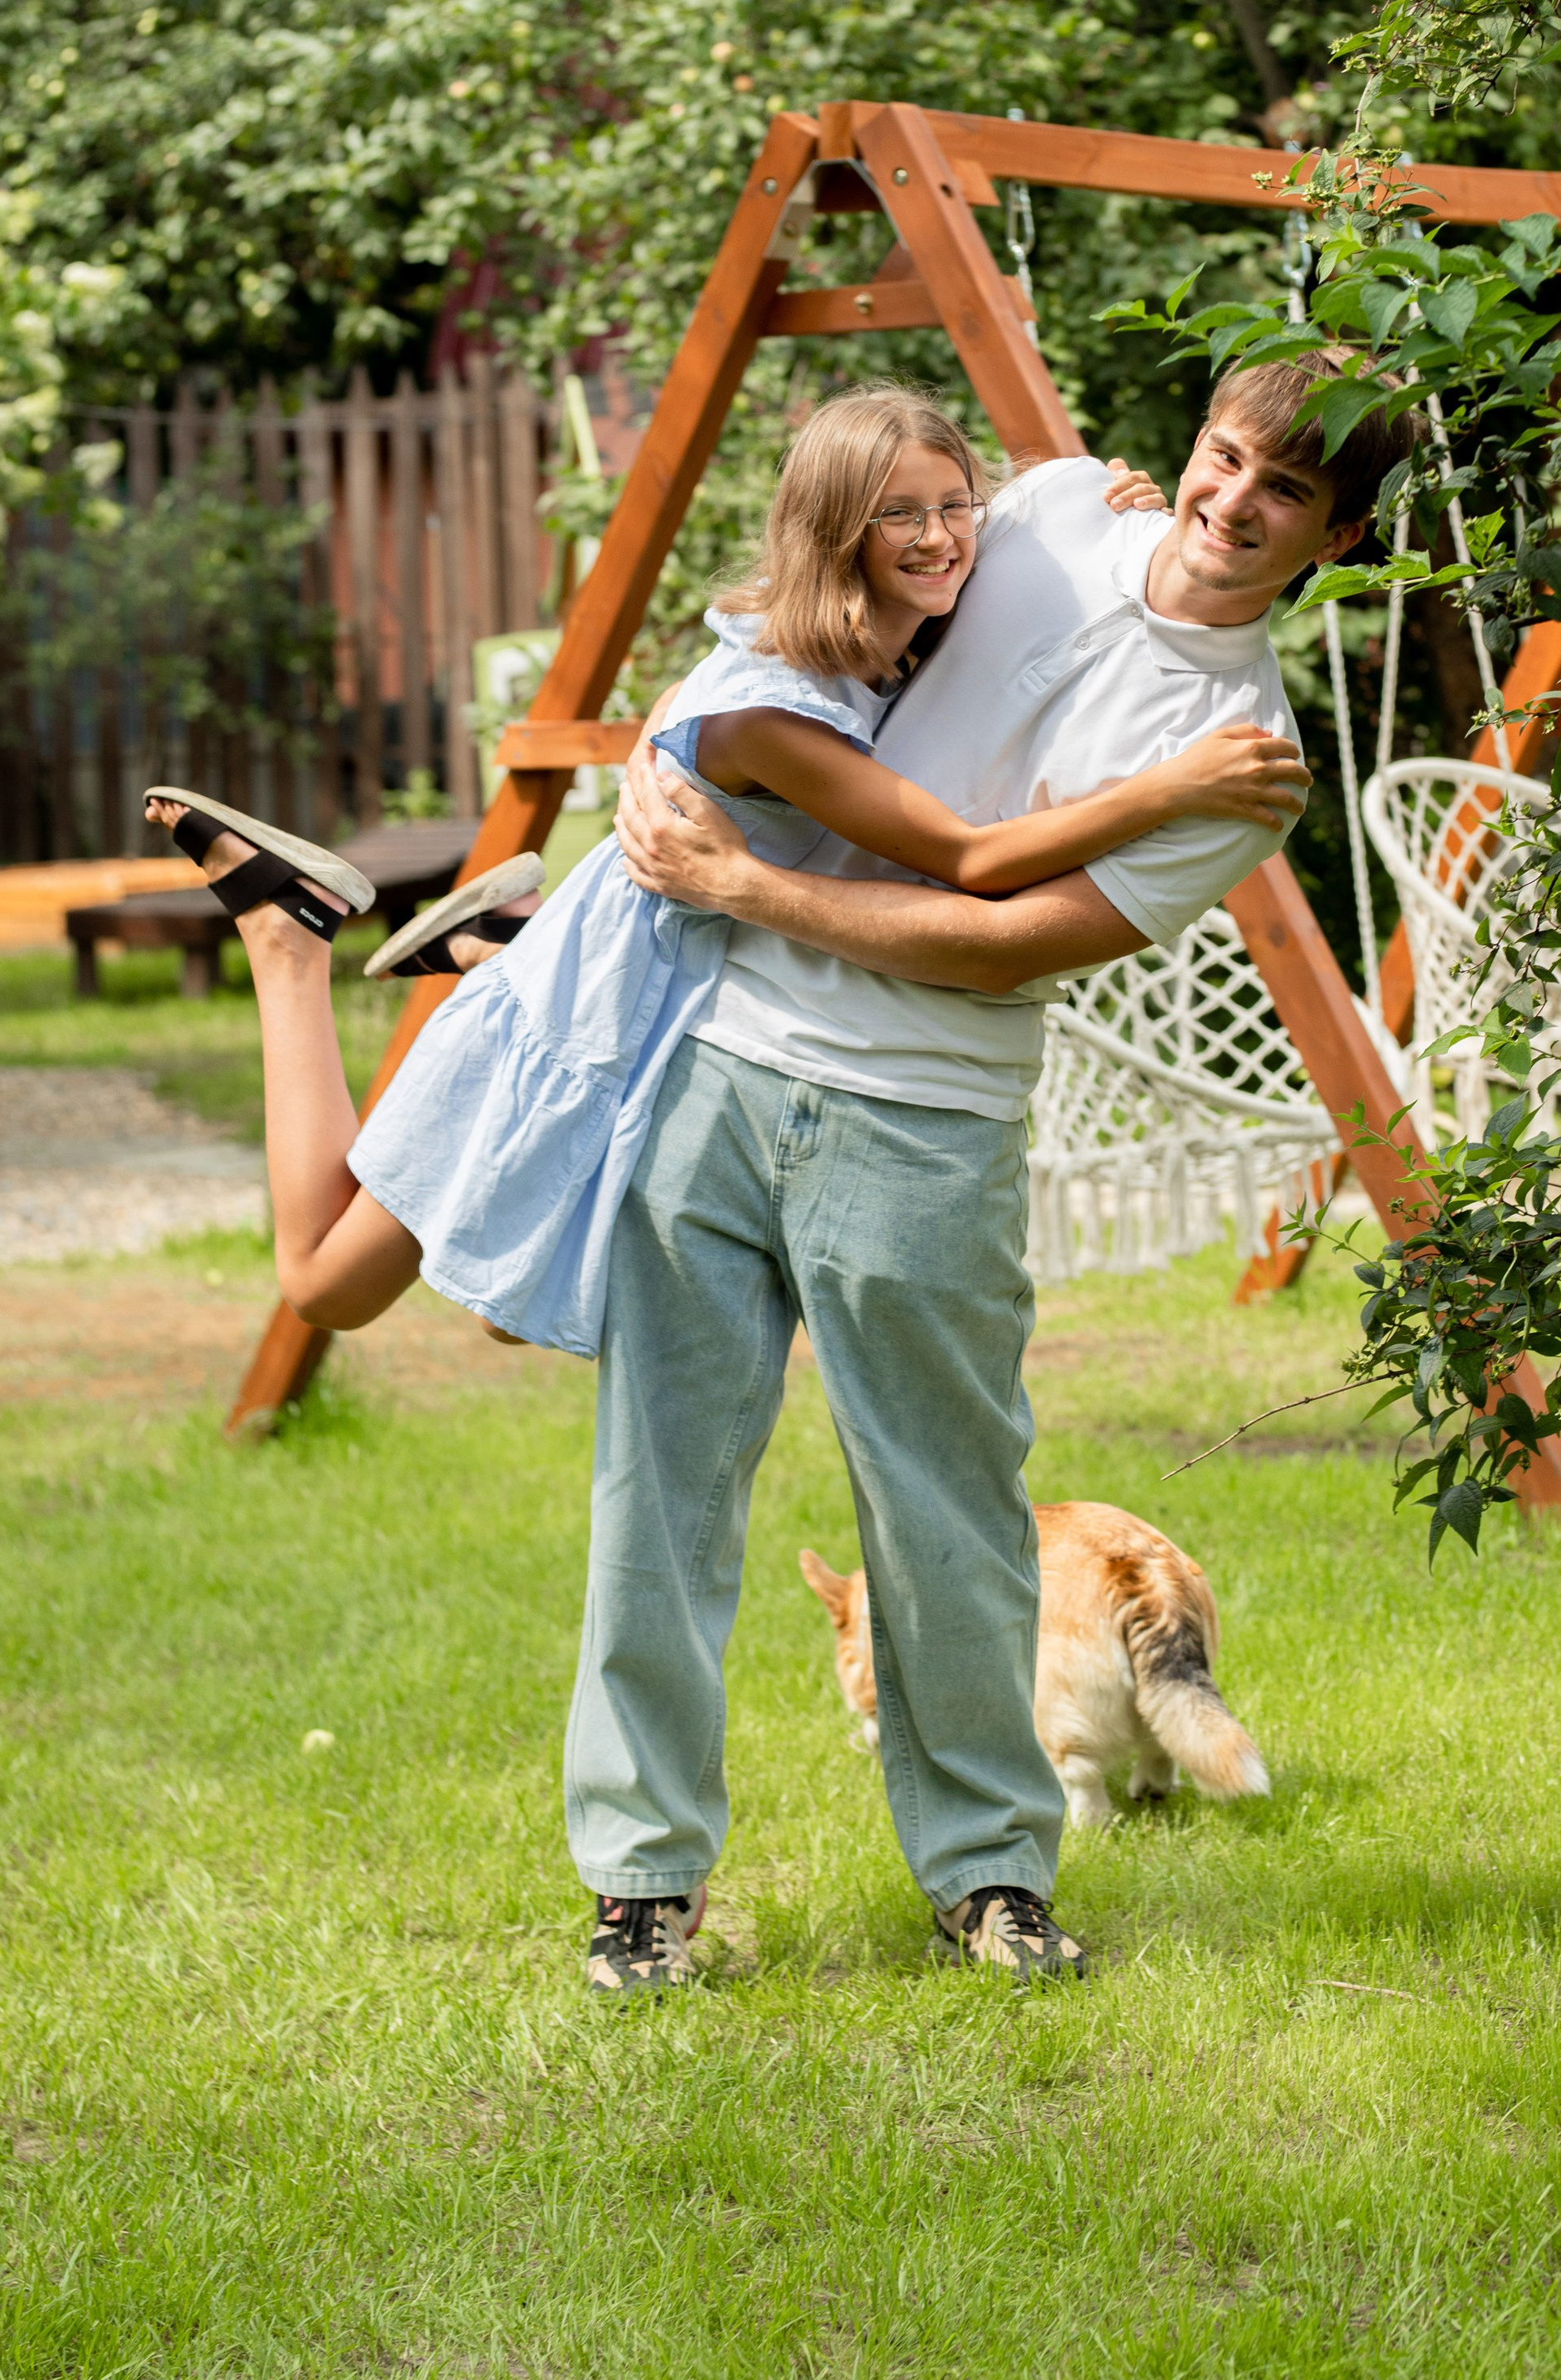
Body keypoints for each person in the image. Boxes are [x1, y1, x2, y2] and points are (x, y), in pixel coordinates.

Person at [582, 346, 1406, 1998]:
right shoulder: (1032, 510)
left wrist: (745, 886)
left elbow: (990, 945)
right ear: (1188, 447)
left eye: (1285, 491)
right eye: (1224, 458)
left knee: (947, 1520)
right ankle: (639, 1889)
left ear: (1336, 537)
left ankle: (987, 1881)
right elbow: (833, 618)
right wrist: (689, 747)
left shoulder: (1241, 762)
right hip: (718, 1069)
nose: (1231, 502)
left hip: (924, 1121)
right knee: (656, 1500)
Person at [139, 389, 1305, 1363]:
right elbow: (968, 861)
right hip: (606, 990)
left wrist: (1122, 506)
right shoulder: (781, 710)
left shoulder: (897, 635)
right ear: (836, 531)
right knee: (329, 1286)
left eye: (957, 507)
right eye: (899, 515)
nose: (943, 535)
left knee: (522, 1305)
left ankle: (496, 940)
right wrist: (1170, 787)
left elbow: (1031, 535)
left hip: (668, 971)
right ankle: (290, 938)